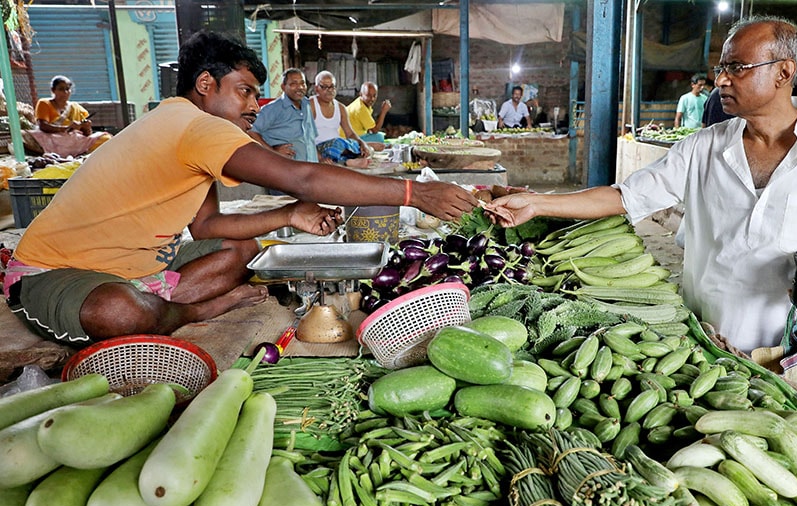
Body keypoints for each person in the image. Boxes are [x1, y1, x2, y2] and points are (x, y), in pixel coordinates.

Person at [3, 31, 477, 345]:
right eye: (245, 90)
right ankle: (186, 312)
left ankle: (161, 305)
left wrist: (291, 215)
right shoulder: (194, 125)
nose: (254, 104)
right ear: (205, 83)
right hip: (56, 270)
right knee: (120, 313)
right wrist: (415, 193)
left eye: (256, 93)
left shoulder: (185, 125)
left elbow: (208, 225)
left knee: (242, 248)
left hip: (141, 268)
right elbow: (303, 176)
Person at [486, 16, 797, 354]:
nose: (721, 80)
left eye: (737, 68)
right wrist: (537, 203)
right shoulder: (702, 148)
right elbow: (624, 197)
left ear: (783, 73)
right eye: (721, 68)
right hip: (707, 337)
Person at [26, 76, 112, 157]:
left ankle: (78, 151)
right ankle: (77, 152)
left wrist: (86, 127)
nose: (65, 92)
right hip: (52, 137)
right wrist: (66, 128)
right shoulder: (44, 103)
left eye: (67, 89)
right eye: (61, 89)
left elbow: (86, 134)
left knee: (106, 138)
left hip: (72, 139)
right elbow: (43, 126)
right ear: (53, 90)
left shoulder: (75, 107)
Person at [247, 68, 318, 163]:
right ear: (283, 87)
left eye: (302, 83)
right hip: (286, 168)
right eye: (293, 84)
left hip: (310, 168)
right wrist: (272, 152)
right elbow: (251, 131)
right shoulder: (274, 108)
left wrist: (320, 159)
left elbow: (309, 139)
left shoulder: (307, 105)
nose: (300, 87)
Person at [309, 71, 372, 167]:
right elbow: (306, 137)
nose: (329, 90)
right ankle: (349, 160)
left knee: (363, 148)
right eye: (324, 87)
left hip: (338, 147)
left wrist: (362, 144)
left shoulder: (341, 107)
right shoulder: (311, 105)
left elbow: (350, 133)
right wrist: (320, 158)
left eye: (332, 86)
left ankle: (347, 161)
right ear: (317, 88)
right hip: (318, 148)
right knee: (337, 144)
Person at [346, 81, 391, 146]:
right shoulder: (361, 109)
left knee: (379, 136)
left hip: (353, 136)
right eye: (368, 96)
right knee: (379, 137)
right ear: (361, 94)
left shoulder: (361, 103)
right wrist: (384, 111)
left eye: (374, 95)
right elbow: (375, 130)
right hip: (349, 140)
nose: (372, 99)